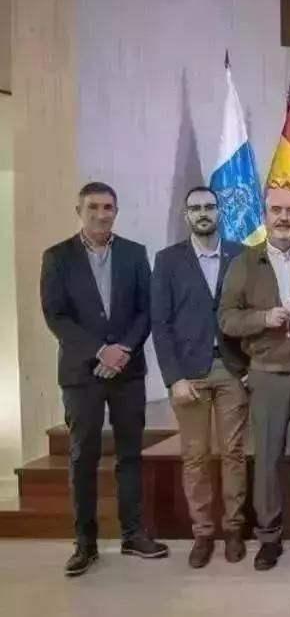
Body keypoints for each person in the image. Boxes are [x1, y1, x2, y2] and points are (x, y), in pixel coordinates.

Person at [40, 182, 169, 577]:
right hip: (82, 374)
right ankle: (85, 543)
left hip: (127, 373)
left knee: (130, 455)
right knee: (83, 457)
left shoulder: (133, 254)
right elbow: (55, 315)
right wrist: (100, 351)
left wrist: (123, 350)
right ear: (79, 209)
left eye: (108, 207)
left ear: (116, 211)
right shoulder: (58, 257)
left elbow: (147, 310)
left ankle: (133, 534)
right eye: (93, 207)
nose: (101, 213)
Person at [218, 186, 290, 571]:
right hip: (265, 376)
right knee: (266, 461)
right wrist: (262, 319)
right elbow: (226, 319)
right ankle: (269, 537)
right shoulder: (243, 264)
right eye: (276, 211)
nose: (284, 218)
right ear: (264, 216)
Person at [150, 186, 248, 568]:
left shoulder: (241, 255)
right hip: (188, 374)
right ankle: (203, 533)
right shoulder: (168, 260)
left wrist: (251, 365)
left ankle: (234, 530)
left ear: (219, 211)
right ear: (186, 215)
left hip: (232, 369)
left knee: (234, 455)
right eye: (196, 208)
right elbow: (160, 323)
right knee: (195, 457)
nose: (203, 213)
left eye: (209, 206)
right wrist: (173, 377)